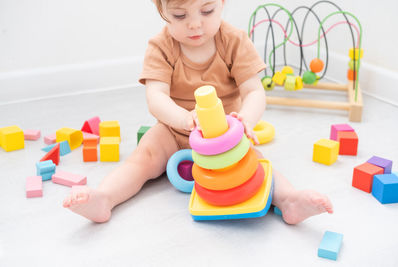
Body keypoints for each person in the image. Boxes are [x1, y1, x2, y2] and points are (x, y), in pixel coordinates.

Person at [62, 0, 333, 224]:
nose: (194, 23)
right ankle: (104, 198)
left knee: (255, 164)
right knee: (143, 157)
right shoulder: (161, 46)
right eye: (179, 15)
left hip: (224, 136)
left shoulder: (234, 41)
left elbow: (254, 91)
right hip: (174, 130)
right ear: (162, 11)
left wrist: (246, 120)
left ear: (222, 4)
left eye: (207, 11)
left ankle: (289, 200)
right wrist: (182, 118)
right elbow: (155, 96)